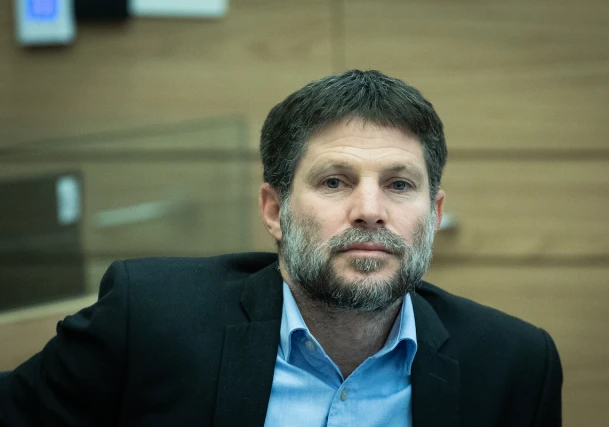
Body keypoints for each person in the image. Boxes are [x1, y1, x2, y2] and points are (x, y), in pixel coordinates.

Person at [0, 70, 562, 427]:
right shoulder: (148, 317)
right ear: (274, 211)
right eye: (335, 182)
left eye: (399, 184)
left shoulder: (514, 364)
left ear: (434, 216)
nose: (370, 210)